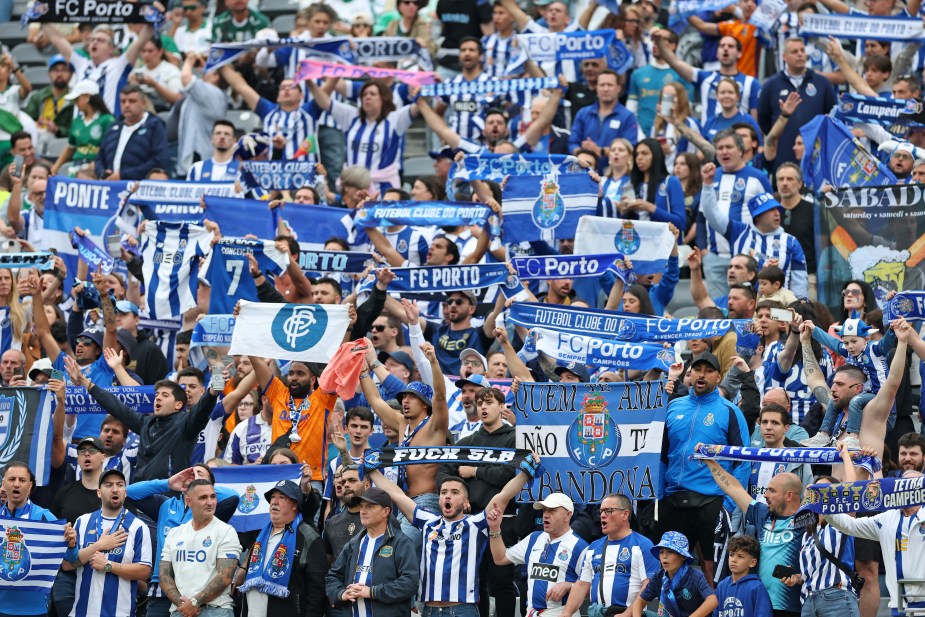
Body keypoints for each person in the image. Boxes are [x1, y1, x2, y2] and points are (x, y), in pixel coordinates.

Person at [364, 453, 539, 616]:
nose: (448, 496)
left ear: (465, 502)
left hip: (462, 611)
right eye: (443, 492)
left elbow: (505, 495)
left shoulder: (475, 524)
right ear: (438, 499)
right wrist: (372, 470)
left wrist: (525, 472)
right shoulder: (427, 521)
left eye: (455, 493)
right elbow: (396, 494)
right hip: (429, 611)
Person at [660, 352, 750, 584]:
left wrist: (728, 505)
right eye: (697, 369)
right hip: (675, 498)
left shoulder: (730, 411)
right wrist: (660, 496)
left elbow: (742, 460)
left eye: (708, 370)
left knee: (712, 570)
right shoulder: (672, 407)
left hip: (713, 500)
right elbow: (661, 455)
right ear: (690, 374)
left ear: (718, 377)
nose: (702, 374)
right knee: (672, 571)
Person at [63, 354, 219, 482]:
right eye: (157, 395)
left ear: (178, 405)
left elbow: (204, 407)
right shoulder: (145, 422)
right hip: (140, 497)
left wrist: (216, 383)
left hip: (168, 497)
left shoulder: (186, 423)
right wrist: (83, 381)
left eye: (165, 395)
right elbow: (114, 405)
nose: (158, 398)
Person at [124, 466, 239, 617]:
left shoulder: (212, 511)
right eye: (190, 473)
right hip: (162, 588)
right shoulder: (165, 505)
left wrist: (200, 486)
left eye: (200, 474)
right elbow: (129, 492)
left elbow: (234, 496)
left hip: (204, 596)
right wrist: (168, 483)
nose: (193, 476)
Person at [704, 459, 804, 617]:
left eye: (771, 490)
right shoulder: (763, 515)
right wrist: (710, 461)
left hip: (789, 606)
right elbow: (734, 489)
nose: (765, 495)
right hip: (756, 602)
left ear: (789, 495)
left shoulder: (808, 521)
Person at [700, 165, 808, 299]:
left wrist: (801, 303)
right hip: (743, 304)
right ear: (758, 217)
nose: (776, 214)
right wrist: (707, 185)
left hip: (777, 308)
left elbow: (799, 280)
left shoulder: (791, 241)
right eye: (770, 211)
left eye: (777, 209)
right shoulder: (739, 232)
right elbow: (712, 214)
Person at [62, 469, 152, 617]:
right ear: (99, 492)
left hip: (120, 613)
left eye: (120, 485)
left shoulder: (138, 526)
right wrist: (98, 545)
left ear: (125, 492)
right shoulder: (82, 521)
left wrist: (108, 566)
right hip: (81, 613)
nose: (115, 489)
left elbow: (144, 571)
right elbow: (67, 565)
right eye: (108, 485)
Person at [486, 492, 589, 617]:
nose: (545, 515)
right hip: (532, 612)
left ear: (567, 515)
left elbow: (591, 587)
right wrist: (495, 528)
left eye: (552, 511)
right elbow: (500, 558)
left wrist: (570, 586)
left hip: (562, 613)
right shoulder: (534, 538)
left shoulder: (579, 546)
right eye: (544, 510)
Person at [560, 493, 660, 617]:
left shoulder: (643, 545)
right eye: (601, 511)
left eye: (608, 511)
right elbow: (582, 584)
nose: (602, 515)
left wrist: (627, 614)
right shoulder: (594, 547)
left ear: (625, 514)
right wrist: (566, 614)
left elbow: (649, 585)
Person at [235, 480, 326, 616]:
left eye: (282, 497)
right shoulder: (261, 536)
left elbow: (317, 591)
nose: (274, 502)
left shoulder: (307, 536)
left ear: (295, 504)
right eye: (272, 497)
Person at [324, 487, 419, 617]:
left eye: (370, 506)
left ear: (386, 511)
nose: (363, 511)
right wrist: (341, 593)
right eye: (362, 506)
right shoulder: (353, 544)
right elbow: (332, 577)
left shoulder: (401, 543)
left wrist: (372, 592)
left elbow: (410, 583)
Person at [159, 478, 241, 617]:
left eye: (213, 496)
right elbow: (164, 575)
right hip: (181, 611)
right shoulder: (175, 533)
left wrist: (194, 602)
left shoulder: (226, 531)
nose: (210, 502)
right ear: (189, 502)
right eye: (203, 497)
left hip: (215, 610)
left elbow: (225, 577)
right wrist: (183, 605)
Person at [0, 462, 64, 617]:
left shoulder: (44, 517)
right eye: (11, 479)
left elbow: (71, 558)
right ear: (3, 484)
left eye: (22, 480)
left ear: (30, 486)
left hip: (35, 610)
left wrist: (71, 541)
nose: (16, 484)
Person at [629, 532, 718, 617]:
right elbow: (639, 601)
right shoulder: (659, 576)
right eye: (661, 552)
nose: (664, 556)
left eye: (670, 552)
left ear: (683, 556)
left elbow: (712, 600)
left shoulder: (695, 576)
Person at [94, 85, 169, 181]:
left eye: (132, 101)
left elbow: (159, 160)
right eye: (123, 101)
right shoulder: (113, 127)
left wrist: (123, 175)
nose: (127, 105)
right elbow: (99, 157)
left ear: (143, 103)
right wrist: (102, 172)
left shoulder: (154, 125)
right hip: (110, 183)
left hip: (139, 183)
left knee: (158, 177)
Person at [51, 80, 114, 175]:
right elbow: (70, 147)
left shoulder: (107, 120)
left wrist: (95, 165)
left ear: (87, 97)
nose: (75, 103)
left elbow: (110, 148)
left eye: (77, 99)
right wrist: (56, 167)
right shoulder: (77, 121)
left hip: (97, 168)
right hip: (76, 166)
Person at [714, 535, 773, 617]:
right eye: (731, 555)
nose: (733, 560)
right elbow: (715, 613)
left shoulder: (756, 587)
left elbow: (763, 614)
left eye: (740, 556)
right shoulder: (722, 586)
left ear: (752, 562)